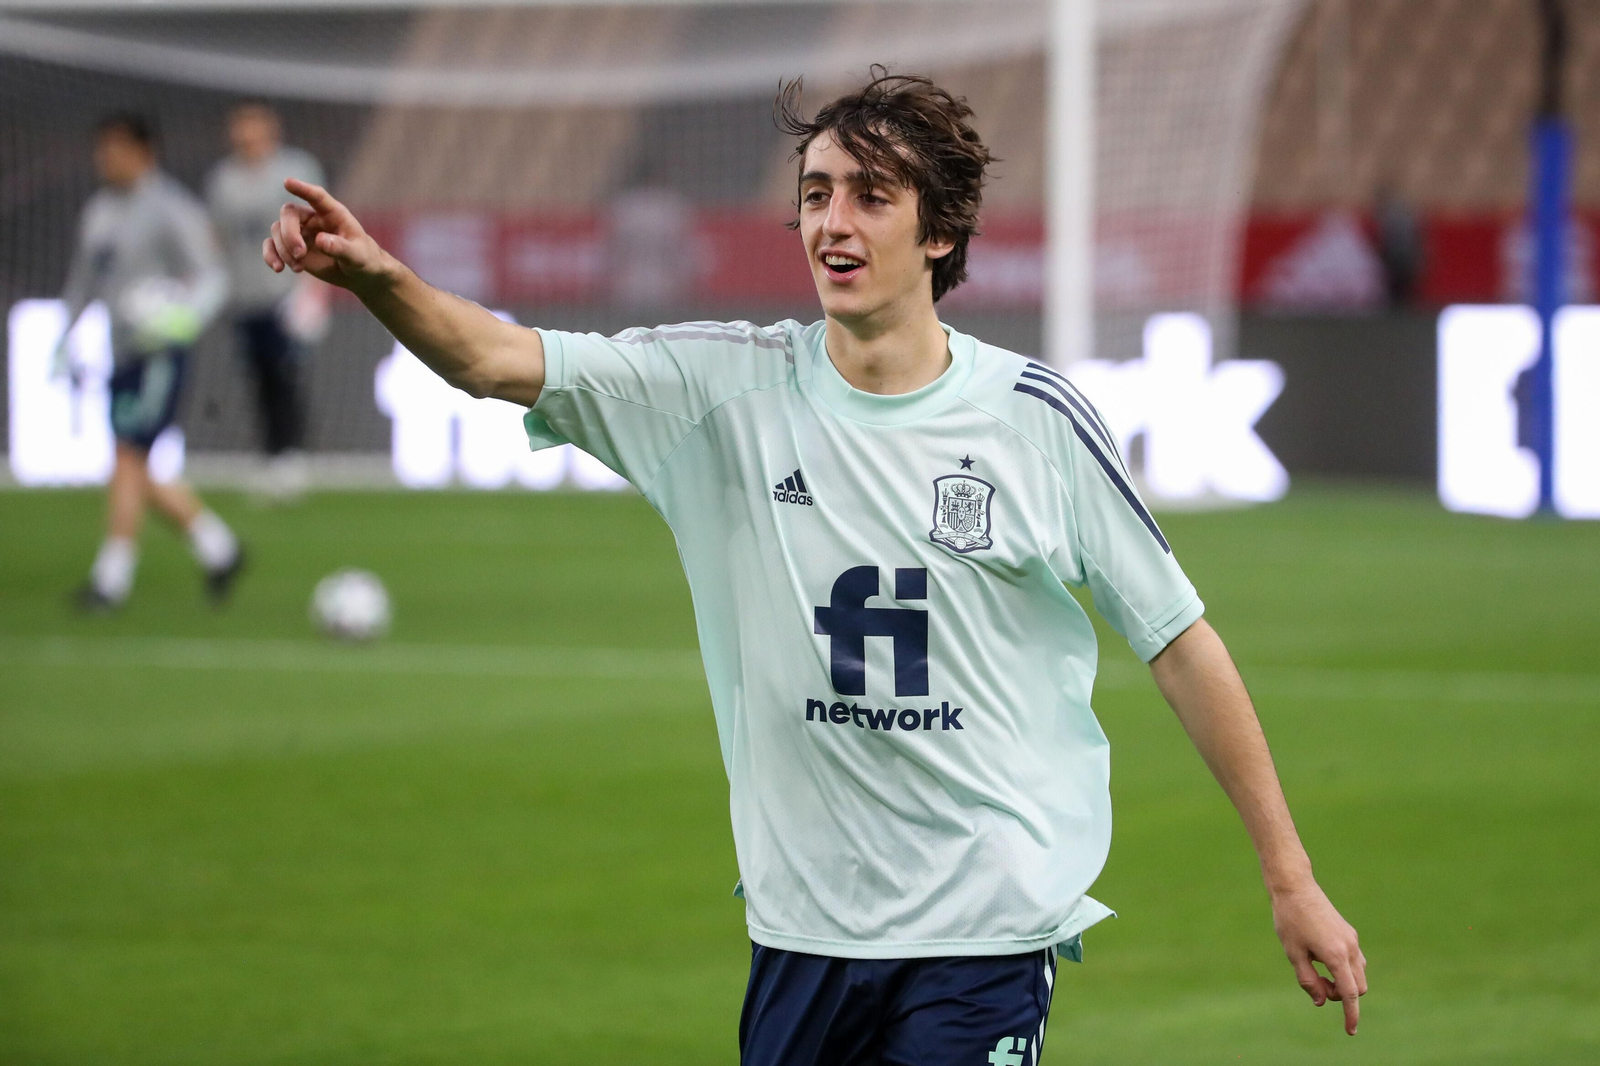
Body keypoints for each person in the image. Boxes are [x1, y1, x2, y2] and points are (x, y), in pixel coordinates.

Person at [264, 72, 1366, 1062]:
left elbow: (1177, 638)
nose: (831, 223)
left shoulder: (1034, 421)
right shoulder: (717, 392)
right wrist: (375, 278)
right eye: (816, 193)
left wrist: (1290, 876)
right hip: (799, 931)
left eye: (870, 197)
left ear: (940, 234)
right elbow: (493, 356)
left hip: (980, 931)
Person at [56, 112, 244, 612]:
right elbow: (83, 281)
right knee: (131, 465)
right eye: (102, 148)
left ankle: (111, 577)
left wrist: (183, 319)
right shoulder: (99, 211)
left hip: (160, 354)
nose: (105, 159)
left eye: (115, 148)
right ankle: (220, 548)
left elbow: (212, 276)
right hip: (119, 353)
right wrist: (64, 338)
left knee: (126, 458)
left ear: (144, 152)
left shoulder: (171, 209)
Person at [206, 100, 328, 500]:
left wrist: (313, 290)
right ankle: (270, 455)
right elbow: (217, 237)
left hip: (285, 292)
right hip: (245, 295)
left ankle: (291, 456)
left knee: (285, 376)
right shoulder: (223, 179)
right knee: (257, 377)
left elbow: (320, 228)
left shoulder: (296, 171)